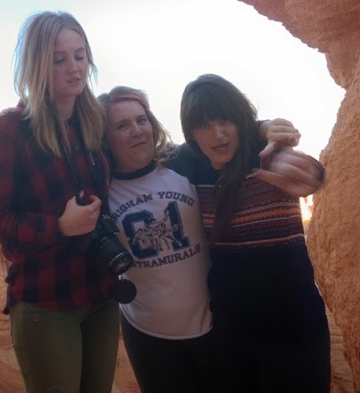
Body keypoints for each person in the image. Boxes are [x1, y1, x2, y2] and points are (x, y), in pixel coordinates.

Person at [99, 86, 323, 393]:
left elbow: (232, 136)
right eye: (122, 125)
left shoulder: (183, 163)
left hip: (218, 330)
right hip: (149, 335)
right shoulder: (101, 186)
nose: (137, 131)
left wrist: (266, 129)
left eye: (141, 120)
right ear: (105, 138)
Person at [0, 11, 120, 393]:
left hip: (101, 291)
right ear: (38, 65)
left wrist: (258, 129)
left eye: (80, 55)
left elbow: (144, 145)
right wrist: (59, 227)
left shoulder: (92, 121)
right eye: (59, 59)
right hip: (47, 298)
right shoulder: (13, 130)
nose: (74, 67)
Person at [180, 74, 330, 393]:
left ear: (239, 120)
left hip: (296, 333)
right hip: (231, 338)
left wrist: (268, 130)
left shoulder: (267, 155)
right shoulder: (193, 166)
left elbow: (308, 170)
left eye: (225, 120)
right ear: (192, 134)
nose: (218, 134)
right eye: (204, 125)